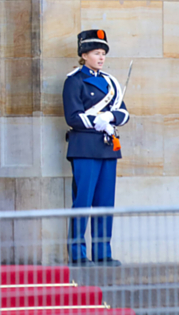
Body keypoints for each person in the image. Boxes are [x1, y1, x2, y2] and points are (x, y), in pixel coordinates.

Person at [63, 29, 130, 267]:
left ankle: (102, 252)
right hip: (84, 148)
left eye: (103, 53)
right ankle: (78, 255)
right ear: (84, 54)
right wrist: (97, 121)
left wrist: (111, 116)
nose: (101, 58)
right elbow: (72, 116)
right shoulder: (74, 80)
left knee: (104, 203)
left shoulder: (111, 82)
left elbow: (124, 113)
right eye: (96, 53)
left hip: (107, 148)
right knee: (82, 202)